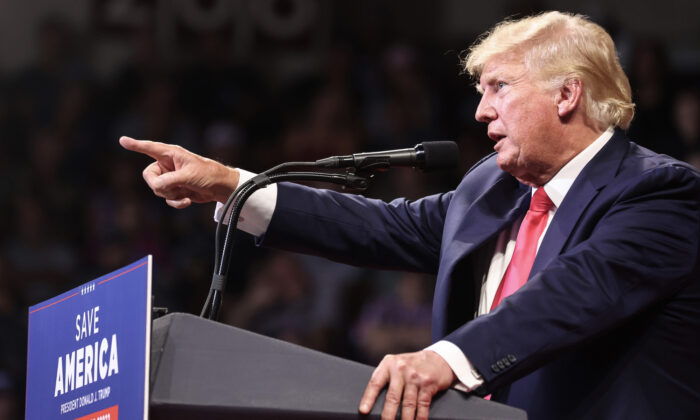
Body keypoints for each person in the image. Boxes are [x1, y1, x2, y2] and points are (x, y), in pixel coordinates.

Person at [120, 11, 700, 420]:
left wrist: (444, 360)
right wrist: (229, 185)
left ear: (567, 95)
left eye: (498, 87)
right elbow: (383, 227)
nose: (480, 111)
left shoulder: (660, 194)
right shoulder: (494, 189)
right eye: (480, 90)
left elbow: (573, 293)